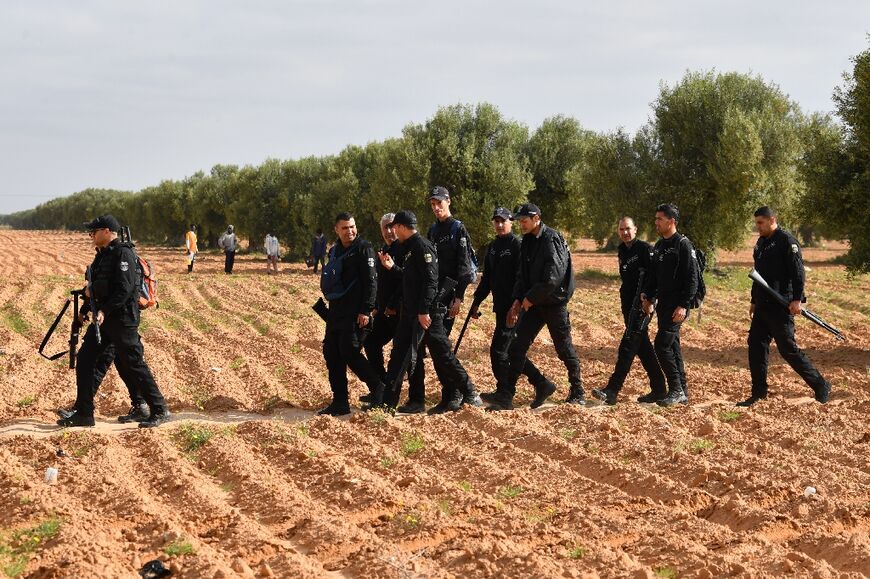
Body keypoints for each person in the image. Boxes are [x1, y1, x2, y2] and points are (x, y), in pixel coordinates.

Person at [58, 215, 170, 428]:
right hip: (105, 319)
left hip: (122, 319)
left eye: (94, 231)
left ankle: (159, 408)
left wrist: (104, 310)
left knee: (133, 363)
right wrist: (84, 308)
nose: (91, 235)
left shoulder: (123, 253)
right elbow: (96, 287)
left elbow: (125, 290)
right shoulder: (102, 255)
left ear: (108, 231)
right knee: (85, 359)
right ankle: (84, 414)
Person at [381, 210, 482, 414]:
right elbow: (409, 279)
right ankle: (388, 403)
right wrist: (392, 268)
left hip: (427, 314)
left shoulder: (423, 247)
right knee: (399, 355)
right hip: (409, 313)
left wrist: (424, 310)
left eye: (395, 228)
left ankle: (469, 392)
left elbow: (430, 282)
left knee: (442, 355)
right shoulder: (407, 248)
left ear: (401, 227)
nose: (393, 232)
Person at [487, 203, 585, 411]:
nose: (521, 224)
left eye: (524, 220)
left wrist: (528, 299)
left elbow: (553, 278)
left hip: (554, 303)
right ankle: (507, 396)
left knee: (563, 348)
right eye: (520, 220)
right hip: (534, 303)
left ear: (537, 219)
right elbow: (522, 276)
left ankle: (578, 391)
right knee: (516, 347)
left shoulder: (551, 239)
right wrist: (516, 300)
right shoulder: (527, 242)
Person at [737, 206, 832, 406]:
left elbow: (798, 273)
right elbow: (758, 276)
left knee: (788, 349)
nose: (758, 227)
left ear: (772, 220)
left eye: (760, 223)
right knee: (755, 346)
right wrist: (754, 300)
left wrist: (797, 299)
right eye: (756, 223)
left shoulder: (787, 242)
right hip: (763, 305)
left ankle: (821, 385)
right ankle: (759, 393)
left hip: (781, 306)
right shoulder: (761, 243)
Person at [471, 207, 555, 405]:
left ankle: (505, 393)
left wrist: (519, 304)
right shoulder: (492, 247)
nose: (500, 225)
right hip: (500, 307)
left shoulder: (517, 245)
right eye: (496, 221)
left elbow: (523, 277)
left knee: (500, 351)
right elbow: (487, 279)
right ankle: (540, 383)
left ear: (511, 222)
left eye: (504, 221)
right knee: (507, 351)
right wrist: (476, 301)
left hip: (514, 309)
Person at [592, 217, 666, 405]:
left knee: (627, 346)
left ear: (635, 229)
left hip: (642, 306)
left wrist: (649, 300)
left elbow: (655, 277)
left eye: (628, 229)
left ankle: (612, 390)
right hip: (628, 305)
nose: (625, 232)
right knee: (643, 347)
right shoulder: (622, 250)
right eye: (622, 229)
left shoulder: (644, 249)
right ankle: (659, 389)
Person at [318, 212, 386, 416]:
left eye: (352, 227)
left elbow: (372, 282)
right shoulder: (335, 250)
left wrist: (366, 310)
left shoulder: (364, 249)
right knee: (332, 353)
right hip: (336, 311)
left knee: (349, 351)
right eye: (345, 228)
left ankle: (378, 389)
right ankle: (340, 401)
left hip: (356, 312)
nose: (350, 231)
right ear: (336, 230)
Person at [640, 203, 699, 407]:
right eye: (655, 219)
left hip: (677, 307)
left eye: (660, 219)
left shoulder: (683, 244)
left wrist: (684, 305)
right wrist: (648, 296)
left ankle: (675, 390)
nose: (656, 222)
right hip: (663, 305)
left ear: (671, 221)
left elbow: (693, 279)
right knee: (672, 346)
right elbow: (654, 276)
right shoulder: (660, 245)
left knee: (662, 345)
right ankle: (682, 392)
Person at [361, 213, 405, 400]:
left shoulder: (404, 250)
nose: (388, 231)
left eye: (391, 226)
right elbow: (380, 282)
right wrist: (377, 306)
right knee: (370, 341)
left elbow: (406, 281)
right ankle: (381, 386)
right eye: (384, 228)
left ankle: (413, 396)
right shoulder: (384, 250)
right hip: (384, 312)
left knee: (405, 355)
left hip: (401, 311)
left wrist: (394, 304)